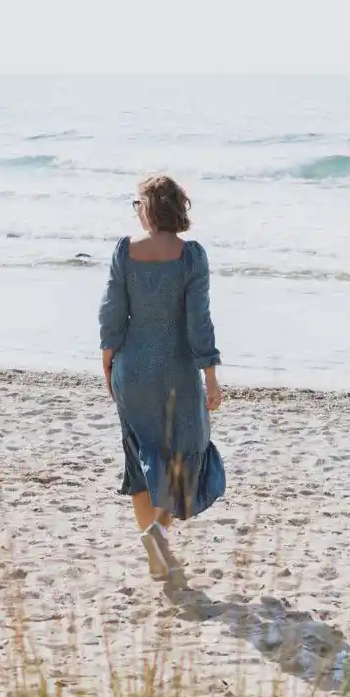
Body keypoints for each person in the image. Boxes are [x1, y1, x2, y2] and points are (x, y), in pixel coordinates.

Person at [98, 174, 226, 580]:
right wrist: (211, 376)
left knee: (139, 458)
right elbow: (198, 324)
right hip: (177, 372)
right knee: (184, 457)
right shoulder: (191, 257)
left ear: (149, 208)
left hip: (130, 369)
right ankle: (157, 534)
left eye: (138, 204)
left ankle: (155, 548)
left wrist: (107, 364)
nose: (136, 211)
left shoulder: (124, 251)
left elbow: (111, 314)